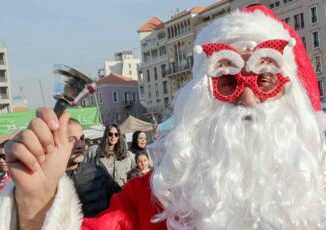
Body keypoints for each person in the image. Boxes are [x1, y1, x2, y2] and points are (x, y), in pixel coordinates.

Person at [2, 5, 326, 229]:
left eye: (264, 80)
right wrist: (37, 205)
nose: (246, 97)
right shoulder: (157, 201)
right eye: (227, 82)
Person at [65, 118, 121, 217]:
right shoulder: (45, 181)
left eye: (81, 138)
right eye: (72, 140)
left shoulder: (98, 173)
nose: (80, 145)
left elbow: (121, 201)